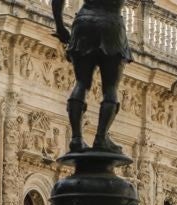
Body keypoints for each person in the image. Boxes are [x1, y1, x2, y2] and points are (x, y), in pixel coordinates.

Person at [50, 0, 132, 154]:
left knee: (81, 83)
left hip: (84, 23)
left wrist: (60, 26)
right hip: (111, 24)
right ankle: (101, 138)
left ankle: (76, 138)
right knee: (110, 88)